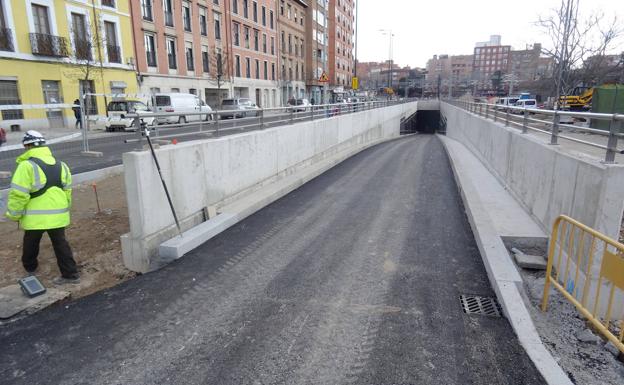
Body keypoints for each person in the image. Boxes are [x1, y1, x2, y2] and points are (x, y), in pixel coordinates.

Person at [5, 130, 80, 285]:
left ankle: (30, 269)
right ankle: (71, 275)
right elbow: (67, 191)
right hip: (58, 215)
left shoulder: (26, 166)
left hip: (35, 217)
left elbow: (19, 195)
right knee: (61, 243)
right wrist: (65, 209)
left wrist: (14, 214)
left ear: (27, 146)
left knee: (30, 243)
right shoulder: (62, 165)